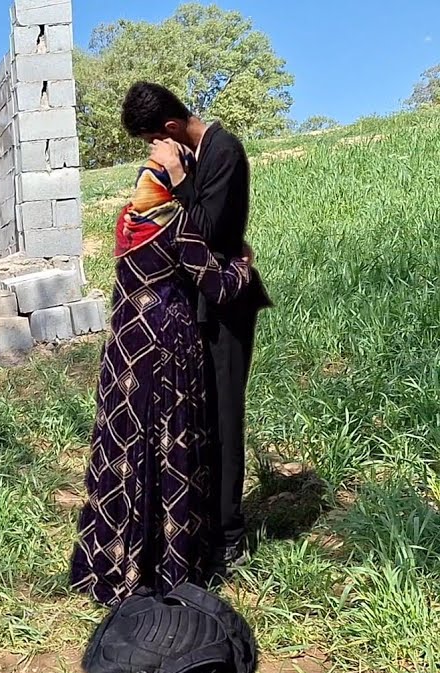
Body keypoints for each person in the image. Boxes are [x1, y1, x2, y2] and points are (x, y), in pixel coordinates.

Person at [70, 158, 254, 607]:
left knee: (127, 447)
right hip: (167, 348)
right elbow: (218, 287)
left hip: (125, 349)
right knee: (168, 445)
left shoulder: (129, 221)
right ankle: (165, 567)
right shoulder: (177, 223)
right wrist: (243, 265)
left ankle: (116, 564)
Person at [121, 82, 272, 580]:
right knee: (199, 418)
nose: (153, 153)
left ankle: (229, 540)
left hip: (227, 308)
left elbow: (206, 228)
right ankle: (201, 529)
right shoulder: (197, 152)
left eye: (152, 141)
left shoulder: (223, 151)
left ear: (170, 129)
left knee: (225, 421)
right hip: (199, 306)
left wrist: (180, 176)